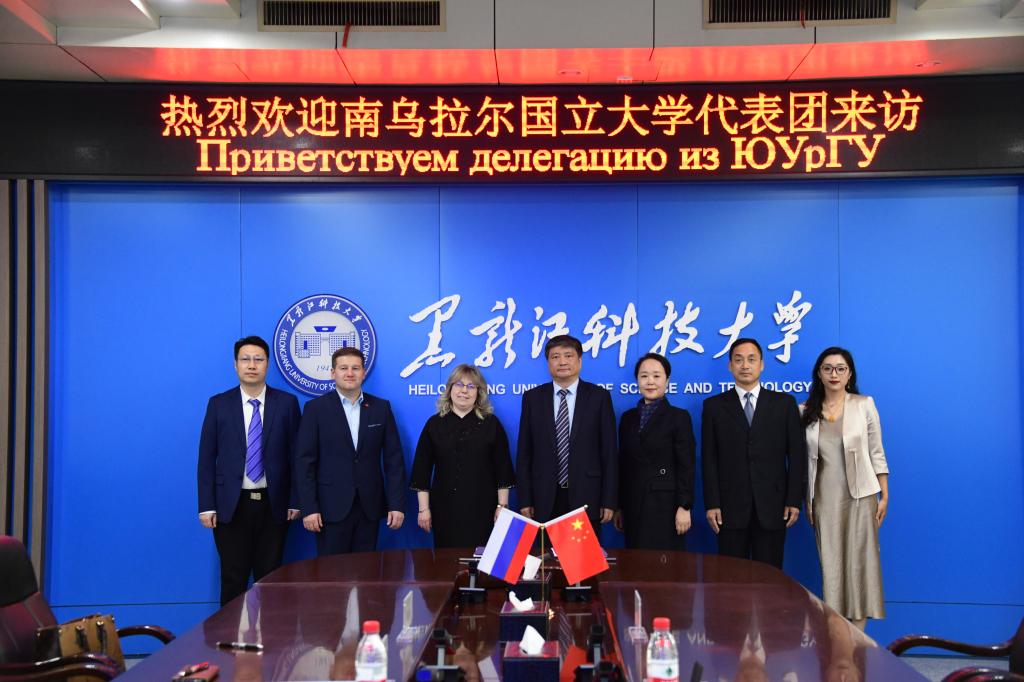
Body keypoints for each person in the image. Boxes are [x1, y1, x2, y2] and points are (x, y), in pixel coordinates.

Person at [197, 335, 301, 605]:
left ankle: (269, 632)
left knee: (270, 578)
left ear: (267, 364)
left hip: (273, 504)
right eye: (245, 359)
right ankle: (231, 633)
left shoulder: (287, 403)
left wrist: (295, 500)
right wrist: (207, 505)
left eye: (258, 359)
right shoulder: (219, 404)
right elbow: (207, 457)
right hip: (231, 506)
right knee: (233, 577)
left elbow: (296, 456)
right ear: (235, 365)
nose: (252, 365)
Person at [802, 346, 889, 631]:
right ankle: (837, 633)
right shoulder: (805, 411)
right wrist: (807, 500)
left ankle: (858, 637)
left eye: (840, 368)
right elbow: (802, 460)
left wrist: (884, 493)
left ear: (850, 374)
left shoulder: (864, 404)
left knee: (860, 564)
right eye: (827, 368)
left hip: (861, 494)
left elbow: (876, 451)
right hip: (823, 497)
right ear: (819, 373)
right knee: (831, 565)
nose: (834, 374)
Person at [702, 337, 806, 568]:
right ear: (730, 365)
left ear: (762, 364)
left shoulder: (784, 404)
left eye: (751, 359)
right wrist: (712, 503)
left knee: (769, 576)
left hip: (773, 506)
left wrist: (793, 499)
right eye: (738, 360)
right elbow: (709, 459)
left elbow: (797, 455)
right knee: (731, 576)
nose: (745, 365)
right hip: (729, 508)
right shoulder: (714, 406)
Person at [295, 347, 406, 556]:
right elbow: (304, 463)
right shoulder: (315, 409)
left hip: (369, 508)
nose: (349, 373)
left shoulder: (381, 408)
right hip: (329, 509)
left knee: (366, 571)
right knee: (332, 573)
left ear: (364, 373)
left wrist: (396, 504)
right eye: (343, 368)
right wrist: (309, 508)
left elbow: (394, 461)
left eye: (355, 368)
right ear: (333, 373)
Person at [516, 334, 617, 526]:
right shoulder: (533, 398)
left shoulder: (599, 397)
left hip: (588, 495)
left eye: (568, 355)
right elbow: (524, 453)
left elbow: (609, 452)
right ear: (548, 362)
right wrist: (525, 499)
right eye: (555, 357)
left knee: (584, 548)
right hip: (543, 497)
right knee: (545, 547)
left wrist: (609, 500)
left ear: (579, 361)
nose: (562, 362)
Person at [410, 364, 515, 548]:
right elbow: (422, 470)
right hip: (444, 508)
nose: (464, 391)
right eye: (459, 384)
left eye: (471, 386)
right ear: (450, 388)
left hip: (483, 508)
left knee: (481, 559)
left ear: (479, 392)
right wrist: (423, 509)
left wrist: (502, 507)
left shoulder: (491, 424)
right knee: (446, 560)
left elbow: (503, 468)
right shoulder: (434, 424)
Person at [614, 352, 696, 550]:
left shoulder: (679, 417)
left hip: (666, 505)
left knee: (666, 563)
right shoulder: (628, 418)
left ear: (667, 380)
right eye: (644, 376)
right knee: (636, 561)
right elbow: (623, 464)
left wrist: (684, 506)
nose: (650, 381)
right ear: (637, 380)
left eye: (656, 376)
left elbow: (686, 464)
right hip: (633, 504)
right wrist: (619, 506)